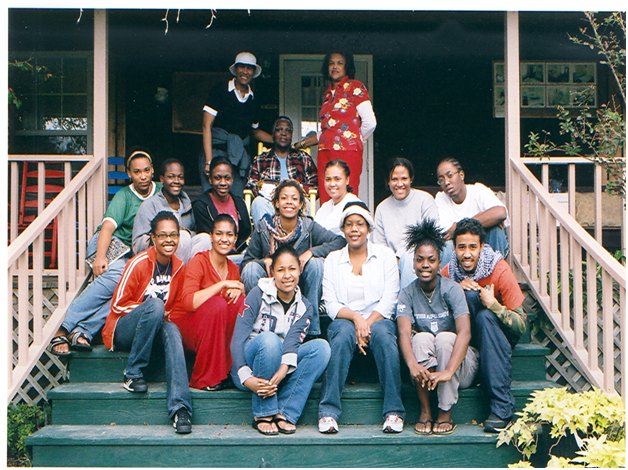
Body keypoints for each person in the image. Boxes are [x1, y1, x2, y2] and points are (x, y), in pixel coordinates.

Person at [47, 148, 161, 356]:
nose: (142, 176)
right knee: (116, 277)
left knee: (125, 290)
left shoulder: (161, 191)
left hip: (132, 253)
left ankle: (82, 331)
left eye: (146, 170)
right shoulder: (124, 196)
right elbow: (107, 228)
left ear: (153, 170)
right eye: (137, 172)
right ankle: (62, 327)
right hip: (108, 243)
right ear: (129, 174)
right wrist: (100, 257)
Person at [101, 211, 192, 434]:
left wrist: (161, 316)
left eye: (173, 235)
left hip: (154, 328)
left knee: (171, 329)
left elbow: (176, 308)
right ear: (152, 237)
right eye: (162, 235)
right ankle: (133, 373)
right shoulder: (138, 262)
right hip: (123, 329)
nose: (169, 240)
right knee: (156, 305)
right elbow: (118, 306)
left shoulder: (179, 267)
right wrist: (153, 311)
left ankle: (180, 408)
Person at [318, 202, 405, 434]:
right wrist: (357, 319)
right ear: (343, 229)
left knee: (386, 337)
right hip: (346, 319)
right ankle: (328, 412)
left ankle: (394, 411)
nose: (354, 229)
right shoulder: (332, 259)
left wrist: (368, 322)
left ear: (368, 228)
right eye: (349, 225)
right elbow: (331, 303)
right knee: (341, 335)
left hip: (379, 318)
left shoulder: (386, 255)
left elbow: (390, 298)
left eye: (359, 224)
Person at [231, 244, 331, 435]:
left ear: (300, 270)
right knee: (269, 339)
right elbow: (237, 340)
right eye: (280, 270)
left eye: (292, 269)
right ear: (272, 272)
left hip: (279, 373)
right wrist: (246, 377)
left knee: (321, 348)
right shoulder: (257, 294)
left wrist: (284, 370)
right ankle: (263, 413)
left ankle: (285, 411)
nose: (287, 275)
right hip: (247, 370)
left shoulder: (305, 306)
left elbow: (293, 342)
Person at [441, 218, 527, 433]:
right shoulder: (448, 273)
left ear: (482, 247)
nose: (467, 254)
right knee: (466, 296)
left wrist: (494, 305)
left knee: (485, 318)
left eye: (473, 247)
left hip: (498, 336)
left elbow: (521, 326)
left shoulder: (499, 269)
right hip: (468, 343)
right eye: (461, 247)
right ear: (454, 248)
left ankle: (502, 407)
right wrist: (454, 288)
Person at [396, 219, 479, 436]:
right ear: (413, 264)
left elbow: (465, 332)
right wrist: (412, 364)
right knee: (421, 338)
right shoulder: (407, 293)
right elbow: (404, 332)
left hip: (460, 368)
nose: (425, 265)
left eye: (431, 260)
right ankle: (425, 411)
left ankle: (444, 411)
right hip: (427, 371)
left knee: (444, 338)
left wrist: (449, 371)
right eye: (420, 260)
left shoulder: (452, 289)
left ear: (439, 262)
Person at [240, 179, 346, 336]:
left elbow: (340, 241)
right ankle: (258, 325)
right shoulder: (263, 228)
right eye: (284, 198)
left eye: (294, 199)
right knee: (251, 269)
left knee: (316, 264)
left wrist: (311, 252)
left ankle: (310, 329)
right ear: (276, 203)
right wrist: (266, 261)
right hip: (271, 285)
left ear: (301, 205)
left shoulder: (308, 226)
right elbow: (246, 262)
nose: (289, 202)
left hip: (299, 285)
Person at [172, 215, 245, 391]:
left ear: (235, 239)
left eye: (229, 235)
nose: (224, 239)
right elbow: (189, 303)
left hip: (212, 328)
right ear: (211, 236)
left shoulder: (233, 269)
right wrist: (222, 284)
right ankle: (205, 378)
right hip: (186, 326)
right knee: (217, 305)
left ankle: (227, 372)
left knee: (239, 302)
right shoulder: (199, 262)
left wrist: (239, 291)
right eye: (219, 234)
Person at [294, 52, 376, 202]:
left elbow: (370, 122)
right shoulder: (327, 94)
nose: (335, 67)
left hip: (348, 151)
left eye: (340, 63)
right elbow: (327, 131)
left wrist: (354, 139)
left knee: (347, 194)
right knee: (327, 195)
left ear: (347, 67)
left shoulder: (355, 87)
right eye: (331, 63)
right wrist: (302, 143)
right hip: (325, 152)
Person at [200, 51, 273, 197]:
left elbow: (254, 131)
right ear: (236, 69)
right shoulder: (220, 89)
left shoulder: (254, 99)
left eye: (250, 68)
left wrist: (276, 140)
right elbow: (206, 126)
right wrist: (209, 161)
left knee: (236, 199)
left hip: (239, 158)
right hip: (215, 152)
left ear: (253, 72)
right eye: (242, 67)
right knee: (212, 198)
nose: (245, 72)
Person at [372, 157, 439, 289]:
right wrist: (393, 262)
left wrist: (400, 258)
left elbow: (430, 235)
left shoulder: (424, 200)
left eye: (404, 178)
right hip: (391, 264)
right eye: (394, 179)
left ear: (411, 179)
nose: (399, 184)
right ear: (388, 182)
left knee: (409, 259)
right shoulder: (381, 208)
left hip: (420, 260)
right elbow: (379, 245)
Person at [132, 158, 210, 264]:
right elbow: (137, 245)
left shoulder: (186, 204)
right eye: (171, 177)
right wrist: (162, 235)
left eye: (180, 177)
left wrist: (186, 232)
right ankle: (176, 277)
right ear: (162, 179)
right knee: (181, 237)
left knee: (205, 239)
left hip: (183, 255)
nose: (176, 181)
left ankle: (191, 276)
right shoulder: (150, 205)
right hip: (156, 259)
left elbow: (193, 232)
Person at [435, 158, 510, 265]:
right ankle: (450, 282)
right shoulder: (441, 198)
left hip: (484, 246)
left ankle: (495, 275)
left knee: (496, 230)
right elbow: (447, 232)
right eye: (441, 180)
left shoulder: (478, 190)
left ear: (461, 175)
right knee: (447, 246)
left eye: (450, 175)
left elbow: (500, 213)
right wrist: (482, 218)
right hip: (460, 252)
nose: (446, 182)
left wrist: (459, 226)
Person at [246, 116, 318, 224]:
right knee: (258, 203)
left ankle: (297, 240)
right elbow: (251, 184)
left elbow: (315, 184)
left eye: (287, 130)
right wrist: (271, 193)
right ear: (273, 134)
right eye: (279, 129)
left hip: (295, 202)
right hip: (270, 202)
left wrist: (298, 190)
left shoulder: (303, 158)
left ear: (291, 135)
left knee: (305, 203)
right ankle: (267, 240)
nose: (284, 133)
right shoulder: (261, 160)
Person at [192, 157, 251, 260]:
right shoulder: (201, 205)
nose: (223, 183)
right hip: (214, 256)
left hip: (237, 254)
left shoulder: (239, 203)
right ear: (210, 179)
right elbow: (210, 238)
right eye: (218, 178)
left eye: (227, 178)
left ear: (232, 179)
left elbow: (245, 234)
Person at [314, 159, 361, 237]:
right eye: (328, 179)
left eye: (337, 179)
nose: (332, 184)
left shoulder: (355, 205)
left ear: (347, 180)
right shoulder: (324, 207)